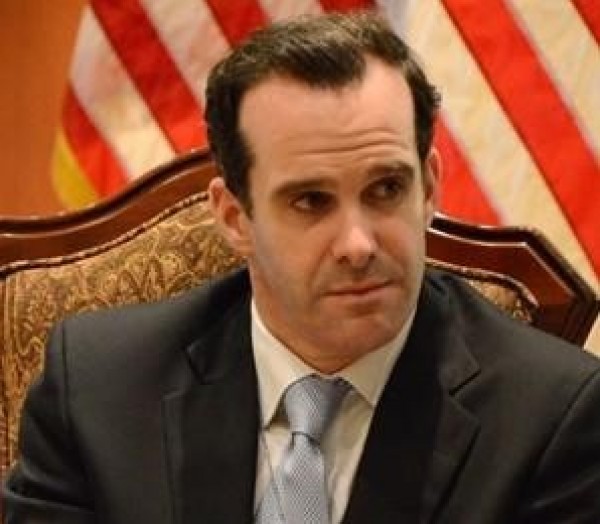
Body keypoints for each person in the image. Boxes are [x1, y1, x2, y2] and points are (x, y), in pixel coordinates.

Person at [4, 11, 600, 524]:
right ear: (235, 218)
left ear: (429, 189)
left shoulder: (551, 417)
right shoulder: (100, 389)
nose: (358, 244)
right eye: (311, 201)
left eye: (386, 189)